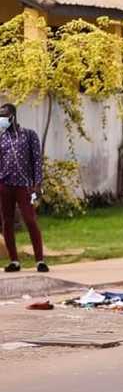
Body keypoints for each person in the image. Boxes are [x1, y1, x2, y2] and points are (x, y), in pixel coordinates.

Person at [0, 103, 47, 273]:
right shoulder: (1, 138)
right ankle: (14, 261)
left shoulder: (28, 135)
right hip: (5, 185)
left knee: (30, 219)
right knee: (7, 222)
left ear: (12, 116)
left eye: (4, 116)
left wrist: (37, 184)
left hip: (24, 185)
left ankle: (39, 260)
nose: (1, 119)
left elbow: (36, 161)